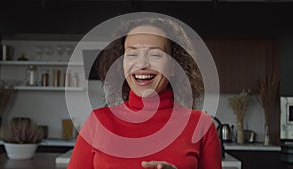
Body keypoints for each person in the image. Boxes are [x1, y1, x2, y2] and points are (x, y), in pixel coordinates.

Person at [68, 16, 222, 169]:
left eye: (155, 54)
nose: (142, 64)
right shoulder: (98, 122)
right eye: (132, 54)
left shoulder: (202, 125)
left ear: (175, 66)